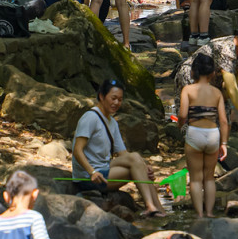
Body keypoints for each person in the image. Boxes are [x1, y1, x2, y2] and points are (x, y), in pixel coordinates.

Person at [71, 78, 166, 216]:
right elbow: (77, 150)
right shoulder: (90, 118)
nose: (116, 103)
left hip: (105, 168)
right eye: (113, 98)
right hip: (89, 178)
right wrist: (92, 172)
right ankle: (151, 206)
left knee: (136, 159)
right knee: (138, 171)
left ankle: (158, 210)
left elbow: (124, 154)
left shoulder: (112, 122)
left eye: (120, 99)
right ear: (102, 96)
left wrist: (144, 166)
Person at [174, 19, 238, 138]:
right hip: (192, 76)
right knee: (196, 115)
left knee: (222, 115)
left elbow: (233, 84)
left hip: (212, 81)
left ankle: (219, 141)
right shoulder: (226, 50)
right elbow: (232, 87)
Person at [178, 53, 228, 217]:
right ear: (213, 73)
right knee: (209, 178)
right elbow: (223, 121)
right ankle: (210, 212)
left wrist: (180, 126)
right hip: (213, 134)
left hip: (195, 133)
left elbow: (183, 115)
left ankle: (199, 214)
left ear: (193, 72)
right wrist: (224, 144)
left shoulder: (187, 90)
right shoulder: (217, 93)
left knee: (195, 179)